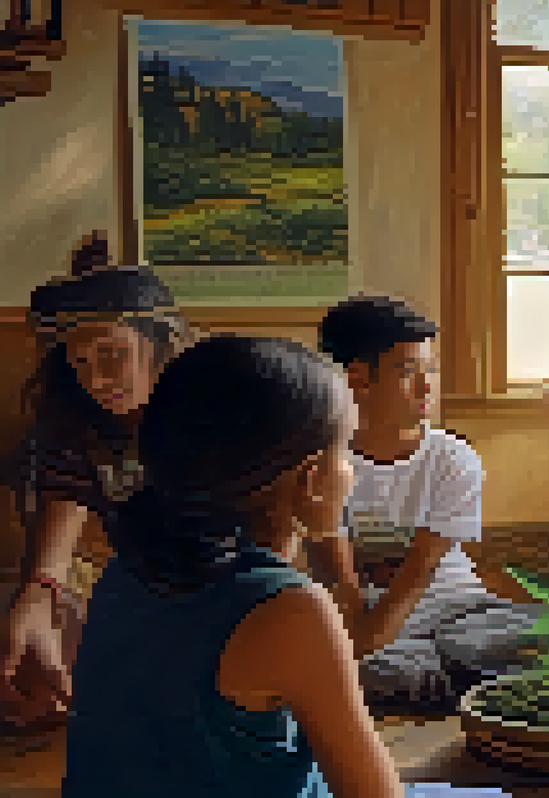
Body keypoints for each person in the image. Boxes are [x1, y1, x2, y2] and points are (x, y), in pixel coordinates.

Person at [63, 334, 401, 798]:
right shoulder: (290, 612)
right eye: (344, 451)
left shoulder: (126, 568)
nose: (352, 469)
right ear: (311, 479)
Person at [0, 232, 196, 734]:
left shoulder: (217, 420)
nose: (97, 380)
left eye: (112, 354)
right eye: (80, 362)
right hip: (113, 590)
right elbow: (57, 549)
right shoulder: (77, 432)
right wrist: (38, 594)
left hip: (208, 590)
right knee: (34, 665)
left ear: (162, 344)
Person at [315, 295, 542, 712]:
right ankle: (476, 688)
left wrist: (355, 655)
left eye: (431, 370)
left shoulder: (452, 458)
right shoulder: (323, 465)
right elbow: (342, 588)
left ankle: (451, 683)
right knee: (362, 666)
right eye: (408, 371)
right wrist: (357, 650)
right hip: (378, 627)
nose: (426, 387)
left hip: (464, 613)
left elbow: (417, 574)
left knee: (508, 635)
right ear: (358, 378)